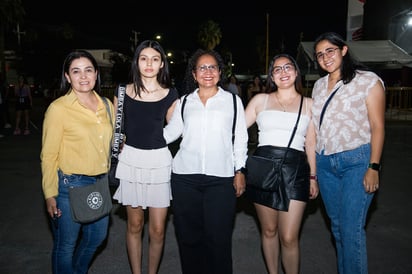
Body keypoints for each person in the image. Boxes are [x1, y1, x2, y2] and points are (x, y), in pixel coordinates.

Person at [163, 49, 248, 274]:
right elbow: (169, 134)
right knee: (188, 239)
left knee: (218, 239)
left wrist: (240, 170)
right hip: (184, 178)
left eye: (212, 67)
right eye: (202, 67)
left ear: (220, 72)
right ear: (194, 74)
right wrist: (136, 138)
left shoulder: (232, 101)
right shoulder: (184, 102)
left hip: (220, 180)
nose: (207, 72)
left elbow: (240, 138)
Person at [311, 32, 385, 274]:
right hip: (325, 163)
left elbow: (377, 126)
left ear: (343, 50)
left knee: (351, 230)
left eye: (330, 51)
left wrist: (373, 167)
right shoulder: (319, 85)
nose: (325, 57)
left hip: (357, 160)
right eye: (320, 54)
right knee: (338, 228)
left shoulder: (368, 80)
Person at [40, 49, 114, 274]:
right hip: (69, 186)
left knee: (97, 237)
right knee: (66, 246)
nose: (83, 76)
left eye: (88, 70)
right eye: (76, 71)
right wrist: (49, 193)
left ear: (95, 74)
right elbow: (49, 155)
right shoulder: (59, 108)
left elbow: (108, 139)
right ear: (67, 76)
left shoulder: (106, 105)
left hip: (99, 184)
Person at [244, 53, 319, 274]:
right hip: (263, 169)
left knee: (288, 236)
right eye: (277, 69)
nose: (283, 72)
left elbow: (311, 144)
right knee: (268, 230)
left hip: (295, 171)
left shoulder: (310, 104)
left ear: (296, 73)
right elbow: (237, 133)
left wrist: (313, 177)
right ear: (272, 76)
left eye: (288, 68)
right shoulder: (260, 100)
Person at [112, 40, 178, 274]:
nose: (149, 63)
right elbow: (115, 128)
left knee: (158, 229)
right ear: (136, 62)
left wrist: (158, 140)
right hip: (131, 162)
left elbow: (176, 128)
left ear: (162, 64)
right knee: (135, 224)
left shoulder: (171, 93)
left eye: (155, 59)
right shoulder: (122, 91)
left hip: (159, 163)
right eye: (144, 58)